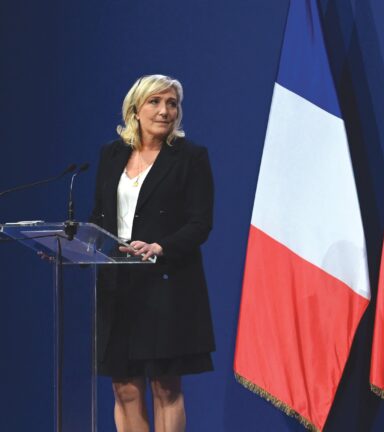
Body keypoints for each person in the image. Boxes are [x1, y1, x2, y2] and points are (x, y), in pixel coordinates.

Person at [90, 74, 215, 432]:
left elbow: (200, 223)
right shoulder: (111, 155)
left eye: (171, 103)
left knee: (165, 387)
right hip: (118, 283)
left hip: (166, 283)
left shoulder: (191, 157)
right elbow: (99, 216)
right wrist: (69, 247)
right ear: (135, 109)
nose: (164, 111)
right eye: (155, 102)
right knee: (124, 388)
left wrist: (161, 247)